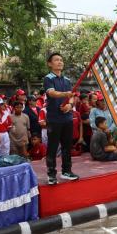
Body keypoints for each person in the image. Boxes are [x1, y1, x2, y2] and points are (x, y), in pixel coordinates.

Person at [43, 52, 79, 185]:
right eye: (56, 60)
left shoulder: (67, 80)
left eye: (61, 60)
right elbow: (51, 93)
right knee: (52, 147)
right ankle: (51, 174)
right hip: (54, 119)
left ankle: (66, 171)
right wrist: (65, 94)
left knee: (67, 146)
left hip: (67, 118)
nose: (60, 62)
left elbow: (72, 97)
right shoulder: (48, 78)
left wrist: (69, 105)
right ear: (50, 64)